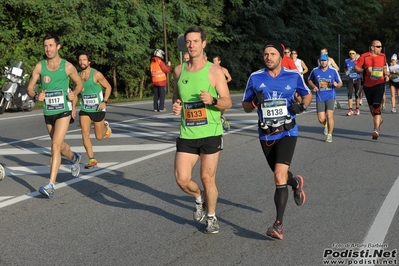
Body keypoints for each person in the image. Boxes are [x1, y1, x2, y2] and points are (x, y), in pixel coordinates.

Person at [242, 40, 312, 240]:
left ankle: (278, 225)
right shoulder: (255, 78)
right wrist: (255, 102)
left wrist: (302, 107)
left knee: (279, 175)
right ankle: (296, 182)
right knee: (280, 174)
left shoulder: (293, 75)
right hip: (266, 134)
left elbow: (306, 96)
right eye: (266, 54)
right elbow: (246, 105)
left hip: (287, 131)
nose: (268, 58)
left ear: (281, 56)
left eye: (272, 54)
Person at [172, 26, 232, 234]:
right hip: (187, 133)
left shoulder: (214, 71)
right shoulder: (179, 71)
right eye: (188, 41)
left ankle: (212, 217)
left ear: (203, 44)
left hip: (210, 133)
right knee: (182, 178)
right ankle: (199, 199)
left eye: (196, 41)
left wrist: (213, 100)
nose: (191, 45)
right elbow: (176, 98)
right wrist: (177, 106)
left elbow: (227, 102)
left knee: (208, 179)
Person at [26, 33, 83, 199]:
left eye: (51, 45)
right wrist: (36, 96)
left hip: (64, 110)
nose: (48, 49)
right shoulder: (39, 66)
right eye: (45, 46)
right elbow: (30, 87)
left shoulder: (67, 67)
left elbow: (79, 84)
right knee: (59, 145)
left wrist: (73, 93)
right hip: (48, 111)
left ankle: (51, 186)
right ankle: (74, 158)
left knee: (55, 145)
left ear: (58, 46)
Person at [76, 50, 112, 169]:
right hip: (85, 109)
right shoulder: (77, 76)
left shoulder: (96, 74)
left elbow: (108, 87)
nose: (82, 62)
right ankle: (92, 159)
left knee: (99, 137)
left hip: (97, 109)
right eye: (80, 60)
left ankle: (105, 126)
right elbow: (75, 92)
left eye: (84, 60)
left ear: (89, 61)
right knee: (84, 133)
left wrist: (104, 101)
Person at [354, 40, 389, 140]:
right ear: (372, 47)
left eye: (381, 46)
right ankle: (379, 120)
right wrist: (365, 70)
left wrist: (386, 75)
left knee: (377, 105)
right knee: (372, 109)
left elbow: (384, 67)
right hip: (368, 85)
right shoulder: (364, 56)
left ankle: (376, 129)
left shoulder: (383, 56)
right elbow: (356, 68)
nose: (380, 48)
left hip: (380, 83)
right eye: (378, 46)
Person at [308, 54, 343, 143]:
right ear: (319, 61)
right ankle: (325, 124)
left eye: (325, 60)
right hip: (320, 97)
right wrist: (313, 86)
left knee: (329, 116)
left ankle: (330, 135)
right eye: (321, 61)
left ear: (328, 61)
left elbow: (340, 83)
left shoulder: (333, 71)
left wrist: (337, 85)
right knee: (321, 119)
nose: (323, 62)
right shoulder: (315, 71)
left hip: (330, 96)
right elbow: (309, 79)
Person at [212, 55, 232, 132]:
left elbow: (229, 78)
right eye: (213, 60)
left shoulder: (223, 70)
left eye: (215, 60)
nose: (214, 62)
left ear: (219, 61)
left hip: (221, 91)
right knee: (214, 106)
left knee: (223, 106)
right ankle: (220, 120)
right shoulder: (211, 70)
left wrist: (223, 83)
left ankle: (222, 118)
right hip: (214, 91)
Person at [344, 50, 362, 116]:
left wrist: (358, 70)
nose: (351, 55)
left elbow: (361, 69)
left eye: (353, 53)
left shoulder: (358, 61)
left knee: (357, 94)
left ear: (355, 54)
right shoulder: (346, 61)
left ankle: (357, 108)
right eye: (350, 54)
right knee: (349, 94)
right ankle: (350, 109)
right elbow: (345, 68)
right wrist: (346, 71)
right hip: (350, 79)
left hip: (357, 78)